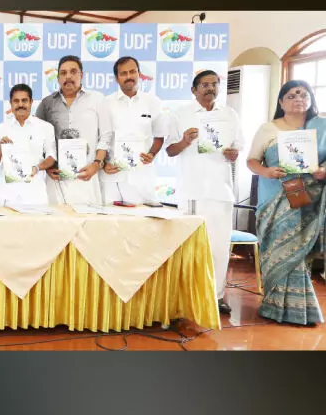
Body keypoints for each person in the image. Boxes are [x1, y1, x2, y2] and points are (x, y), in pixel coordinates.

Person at [246, 80, 326, 325]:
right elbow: (252, 161)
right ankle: (274, 306)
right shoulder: (268, 129)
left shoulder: (322, 126)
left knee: (299, 253)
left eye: (303, 95)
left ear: (311, 99)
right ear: (281, 102)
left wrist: (323, 171)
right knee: (279, 251)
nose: (298, 99)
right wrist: (267, 171)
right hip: (275, 199)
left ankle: (299, 309)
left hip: (309, 199)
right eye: (291, 95)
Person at [166, 70, 244, 314]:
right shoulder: (180, 114)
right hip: (192, 190)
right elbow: (170, 150)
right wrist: (185, 142)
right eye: (204, 84)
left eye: (214, 84)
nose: (210, 88)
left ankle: (216, 296)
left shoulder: (229, 114)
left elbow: (236, 149)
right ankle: (185, 297)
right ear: (194, 90)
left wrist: (233, 154)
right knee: (190, 247)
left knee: (219, 247)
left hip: (220, 190)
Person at [35, 55, 109, 206]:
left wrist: (96, 164)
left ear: (82, 75)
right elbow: (38, 139)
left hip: (87, 176)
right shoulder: (47, 104)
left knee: (89, 220)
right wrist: (47, 168)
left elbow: (106, 136)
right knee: (56, 219)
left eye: (73, 72)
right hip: (57, 179)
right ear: (58, 78)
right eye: (63, 73)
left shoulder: (97, 99)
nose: (68, 76)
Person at [101, 56, 168, 205]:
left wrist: (152, 154)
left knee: (142, 216)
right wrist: (103, 163)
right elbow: (101, 138)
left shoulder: (153, 102)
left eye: (132, 72)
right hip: (113, 175)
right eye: (123, 73)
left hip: (141, 175)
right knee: (110, 217)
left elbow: (159, 136)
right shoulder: (106, 103)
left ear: (139, 74)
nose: (129, 76)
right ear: (117, 78)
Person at [0, 83, 56, 206]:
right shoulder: (1, 128)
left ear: (31, 102)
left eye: (24, 100)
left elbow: (51, 157)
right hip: (7, 195)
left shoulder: (45, 127)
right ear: (11, 103)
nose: (20, 104)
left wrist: (37, 168)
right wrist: (0, 150)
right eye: (16, 101)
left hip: (35, 195)